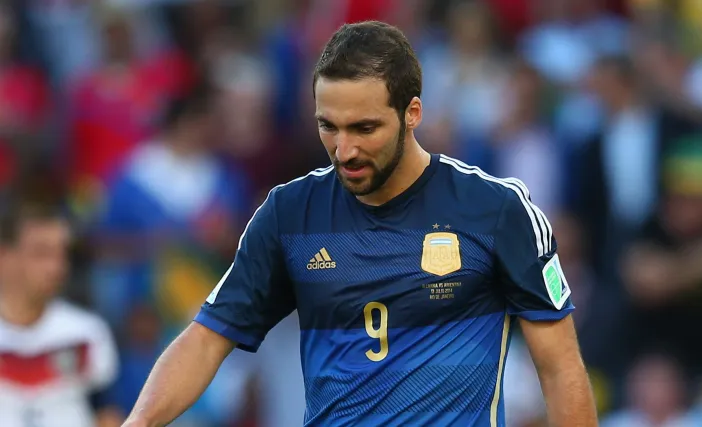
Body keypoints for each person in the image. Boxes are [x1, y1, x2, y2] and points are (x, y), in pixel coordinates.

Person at [123, 21, 597, 427]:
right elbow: (207, 340)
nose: (344, 149)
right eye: (328, 126)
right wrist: (139, 422)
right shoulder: (290, 214)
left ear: (412, 113)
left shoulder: (496, 210)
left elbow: (559, 367)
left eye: (364, 128)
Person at [0, 203, 122, 427]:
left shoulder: (87, 332)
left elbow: (107, 414)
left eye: (62, 253)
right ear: (4, 256)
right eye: (42, 253)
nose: (56, 267)